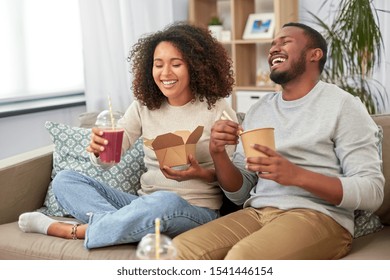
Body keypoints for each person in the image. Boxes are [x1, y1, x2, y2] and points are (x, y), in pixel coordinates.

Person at [173, 22, 385, 260]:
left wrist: (296, 175)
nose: (273, 48)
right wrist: (218, 153)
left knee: (242, 260)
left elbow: (373, 191)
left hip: (319, 216)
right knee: (177, 252)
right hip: (257, 212)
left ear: (315, 54)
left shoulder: (343, 105)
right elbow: (240, 193)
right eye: (272, 44)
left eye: (285, 42)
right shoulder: (259, 109)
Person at [18, 22, 237, 249]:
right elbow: (109, 159)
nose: (165, 73)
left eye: (176, 64)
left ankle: (73, 231)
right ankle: (131, 226)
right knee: (65, 180)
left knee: (164, 201)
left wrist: (201, 173)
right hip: (142, 203)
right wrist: (100, 150)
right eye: (158, 64)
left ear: (194, 66)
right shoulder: (144, 107)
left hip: (195, 211)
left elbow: (234, 183)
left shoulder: (217, 109)